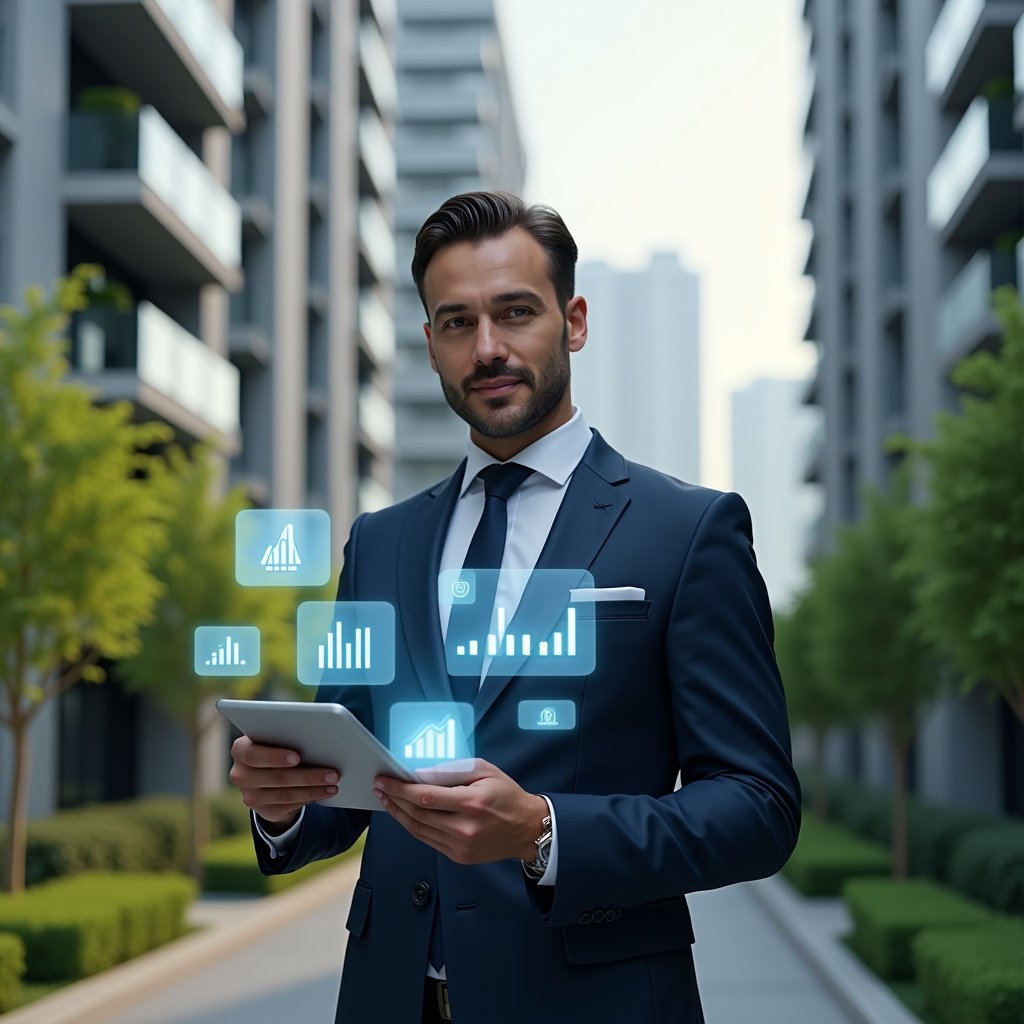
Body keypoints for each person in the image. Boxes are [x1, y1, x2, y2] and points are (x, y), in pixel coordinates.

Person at [229, 191, 801, 1024]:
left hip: (593, 1000)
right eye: (457, 323)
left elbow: (758, 806)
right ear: (430, 345)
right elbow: (347, 774)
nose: (487, 347)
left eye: (515, 312)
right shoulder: (379, 542)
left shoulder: (688, 530)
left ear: (573, 321)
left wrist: (543, 831)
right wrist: (283, 804)